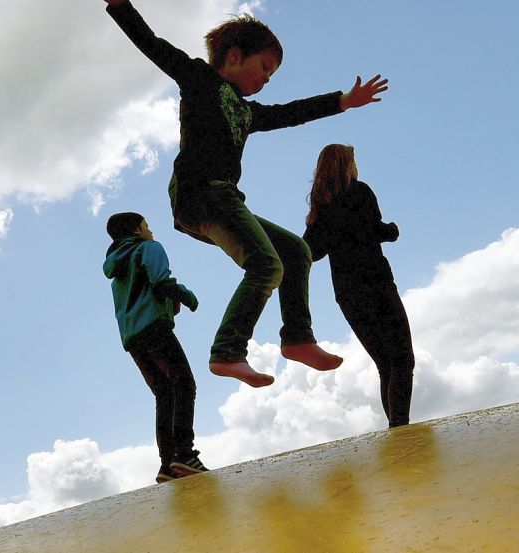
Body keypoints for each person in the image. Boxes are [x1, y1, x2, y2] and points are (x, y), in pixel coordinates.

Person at [103, 0, 388, 386]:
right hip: (200, 193)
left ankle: (298, 339)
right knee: (266, 265)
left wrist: (341, 102)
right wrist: (120, 6)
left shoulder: (247, 112)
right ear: (234, 57)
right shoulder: (198, 80)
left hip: (224, 201)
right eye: (265, 68)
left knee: (295, 252)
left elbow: (290, 113)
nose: (268, 78)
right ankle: (228, 351)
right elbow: (153, 45)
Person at [303, 144, 414, 427]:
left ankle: (397, 428)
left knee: (384, 363)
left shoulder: (321, 207)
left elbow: (311, 251)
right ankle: (400, 428)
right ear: (346, 165)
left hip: (347, 293)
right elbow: (375, 230)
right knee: (402, 359)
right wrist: (392, 230)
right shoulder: (360, 191)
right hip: (376, 281)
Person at [103, 212, 205, 483]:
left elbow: (141, 294)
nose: (151, 230)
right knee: (184, 384)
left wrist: (166, 303)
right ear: (137, 230)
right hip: (155, 330)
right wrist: (187, 297)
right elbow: (160, 280)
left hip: (132, 338)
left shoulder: (116, 269)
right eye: (147, 225)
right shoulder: (149, 248)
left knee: (164, 393)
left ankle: (168, 465)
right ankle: (185, 455)